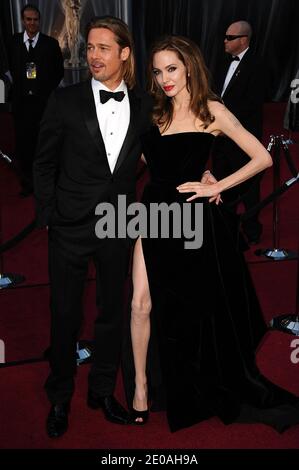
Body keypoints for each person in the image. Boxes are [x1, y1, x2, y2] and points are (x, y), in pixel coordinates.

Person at [123, 35, 299, 432]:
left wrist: (215, 185)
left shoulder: (212, 110)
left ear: (188, 67)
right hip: (152, 213)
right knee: (140, 304)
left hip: (189, 219)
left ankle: (194, 380)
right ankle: (140, 387)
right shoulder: (154, 112)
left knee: (192, 308)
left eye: (172, 68)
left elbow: (262, 157)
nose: (165, 78)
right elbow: (154, 161)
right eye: (157, 71)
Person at [33, 16, 153, 438]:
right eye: (89, 48)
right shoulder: (65, 100)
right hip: (69, 226)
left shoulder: (143, 105)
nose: (93, 56)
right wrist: (49, 214)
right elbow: (43, 161)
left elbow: (168, 153)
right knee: (64, 315)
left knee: (110, 313)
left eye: (103, 48)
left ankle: (102, 390)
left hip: (118, 224)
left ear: (124, 53)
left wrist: (208, 177)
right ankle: (60, 396)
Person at [212, 21, 265, 245]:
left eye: (229, 37)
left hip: (244, 138)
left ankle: (252, 232)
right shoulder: (222, 64)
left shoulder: (258, 65)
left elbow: (253, 104)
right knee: (222, 185)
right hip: (221, 139)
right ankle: (226, 231)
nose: (225, 41)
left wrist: (228, 125)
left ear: (243, 40)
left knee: (249, 189)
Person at [9, 4, 64, 196]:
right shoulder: (13, 42)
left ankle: (51, 183)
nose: (32, 23)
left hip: (44, 105)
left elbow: (59, 72)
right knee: (25, 146)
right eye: (28, 19)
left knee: (48, 144)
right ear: (23, 21)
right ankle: (28, 183)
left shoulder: (50, 44)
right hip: (21, 105)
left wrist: (45, 92)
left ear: (40, 21)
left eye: (35, 20)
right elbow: (10, 71)